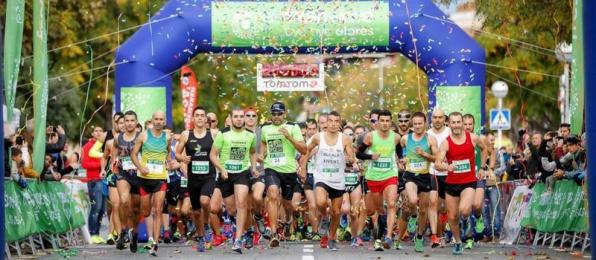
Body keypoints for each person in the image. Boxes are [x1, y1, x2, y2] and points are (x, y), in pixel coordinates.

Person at [434, 112, 488, 255]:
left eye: (459, 122)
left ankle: (466, 219)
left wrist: (483, 167)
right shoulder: (446, 142)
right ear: (449, 124)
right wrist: (447, 167)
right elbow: (437, 164)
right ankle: (458, 242)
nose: (456, 125)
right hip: (451, 184)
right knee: (452, 217)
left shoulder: (473, 138)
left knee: (464, 210)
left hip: (469, 182)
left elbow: (484, 150)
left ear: (463, 124)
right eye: (453, 122)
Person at [301, 111, 354, 251]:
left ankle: (331, 238)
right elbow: (305, 150)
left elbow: (351, 157)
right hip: (321, 177)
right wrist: (303, 168)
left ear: (340, 123)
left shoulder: (346, 139)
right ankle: (324, 217)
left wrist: (350, 160)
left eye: (337, 121)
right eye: (330, 120)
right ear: (326, 122)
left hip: (338, 179)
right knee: (320, 202)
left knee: (336, 212)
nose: (333, 124)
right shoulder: (318, 137)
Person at [210, 108, 258, 253]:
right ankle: (246, 227)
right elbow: (213, 155)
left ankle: (238, 240)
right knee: (231, 209)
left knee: (242, 203)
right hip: (226, 174)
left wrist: (254, 167)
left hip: (242, 173)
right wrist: (221, 169)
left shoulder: (250, 135)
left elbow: (253, 152)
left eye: (241, 117)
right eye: (235, 116)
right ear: (230, 118)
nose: (239, 119)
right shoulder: (223, 134)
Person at [259, 101, 307, 248]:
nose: (276, 116)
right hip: (271, 168)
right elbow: (263, 145)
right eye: (274, 113)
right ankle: (274, 233)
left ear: (284, 114)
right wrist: (262, 155)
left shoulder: (293, 127)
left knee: (289, 205)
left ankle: (288, 221)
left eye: (279, 113)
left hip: (289, 171)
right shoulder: (265, 128)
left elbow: (304, 149)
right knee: (273, 195)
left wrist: (289, 137)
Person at [356, 109, 401, 251]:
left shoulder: (396, 137)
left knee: (392, 203)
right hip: (373, 177)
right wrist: (370, 157)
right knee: (376, 209)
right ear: (378, 122)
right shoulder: (370, 137)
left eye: (388, 121)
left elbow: (399, 151)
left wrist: (401, 159)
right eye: (382, 121)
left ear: (391, 122)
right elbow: (358, 154)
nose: (385, 124)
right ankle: (378, 233)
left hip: (390, 175)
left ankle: (388, 237)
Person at [175, 106, 219, 252]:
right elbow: (177, 153)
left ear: (206, 119)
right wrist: (182, 158)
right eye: (197, 115)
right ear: (193, 118)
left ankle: (206, 225)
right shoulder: (186, 134)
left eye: (202, 115)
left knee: (205, 200)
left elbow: (222, 150)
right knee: (196, 211)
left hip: (209, 175)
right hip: (193, 177)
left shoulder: (213, 133)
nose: (200, 117)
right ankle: (200, 237)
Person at [131, 111, 171, 257]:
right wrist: (141, 167)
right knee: (146, 212)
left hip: (160, 178)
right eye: (156, 119)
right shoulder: (144, 135)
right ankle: (133, 233)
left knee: (159, 209)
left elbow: (167, 153)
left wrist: (168, 162)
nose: (159, 122)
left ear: (164, 121)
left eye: (161, 119)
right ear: (152, 120)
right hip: (144, 179)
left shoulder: (167, 137)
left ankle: (155, 243)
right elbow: (133, 154)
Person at [399, 112, 440, 252]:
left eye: (420, 123)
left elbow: (437, 158)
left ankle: (420, 237)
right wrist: (402, 160)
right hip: (410, 175)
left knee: (423, 210)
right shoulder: (405, 139)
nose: (417, 126)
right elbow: (400, 152)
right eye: (415, 124)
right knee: (412, 200)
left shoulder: (431, 139)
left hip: (425, 176)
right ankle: (413, 216)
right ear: (412, 124)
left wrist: (425, 154)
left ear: (425, 123)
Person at [111, 111, 142, 252]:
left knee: (136, 209)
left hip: (139, 175)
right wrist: (114, 163)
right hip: (123, 174)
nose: (129, 123)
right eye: (127, 121)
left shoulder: (142, 137)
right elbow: (115, 152)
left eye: (132, 121)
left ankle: (134, 233)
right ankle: (123, 231)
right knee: (123, 201)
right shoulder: (118, 138)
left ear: (136, 122)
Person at [427, 108, 450, 247]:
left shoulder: (450, 132)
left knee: (444, 208)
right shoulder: (427, 134)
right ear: (431, 118)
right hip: (432, 172)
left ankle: (443, 233)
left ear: (445, 119)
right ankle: (435, 236)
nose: (437, 120)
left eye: (440, 117)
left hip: (448, 174)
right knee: (433, 203)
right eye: (435, 117)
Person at [244, 107, 267, 245]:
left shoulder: (262, 132)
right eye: (248, 115)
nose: (251, 118)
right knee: (246, 207)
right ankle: (250, 233)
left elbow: (266, 155)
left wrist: (258, 157)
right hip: (243, 172)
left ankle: (258, 216)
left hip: (260, 171)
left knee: (257, 197)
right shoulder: (238, 133)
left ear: (257, 119)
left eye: (253, 115)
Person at [82, 126, 106, 244]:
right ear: (92, 133)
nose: (98, 132)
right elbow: (85, 164)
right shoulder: (88, 146)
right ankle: (92, 234)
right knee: (95, 207)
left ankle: (97, 233)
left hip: (104, 180)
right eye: (96, 131)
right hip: (94, 180)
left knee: (102, 209)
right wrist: (101, 164)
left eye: (100, 130)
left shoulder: (104, 146)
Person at [300, 118, 322, 241]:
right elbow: (300, 160)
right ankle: (315, 231)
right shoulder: (303, 143)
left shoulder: (322, 141)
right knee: (312, 205)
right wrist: (309, 155)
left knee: (320, 205)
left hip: (321, 177)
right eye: (310, 129)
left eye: (314, 129)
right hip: (309, 176)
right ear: (306, 130)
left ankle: (318, 227)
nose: (312, 131)